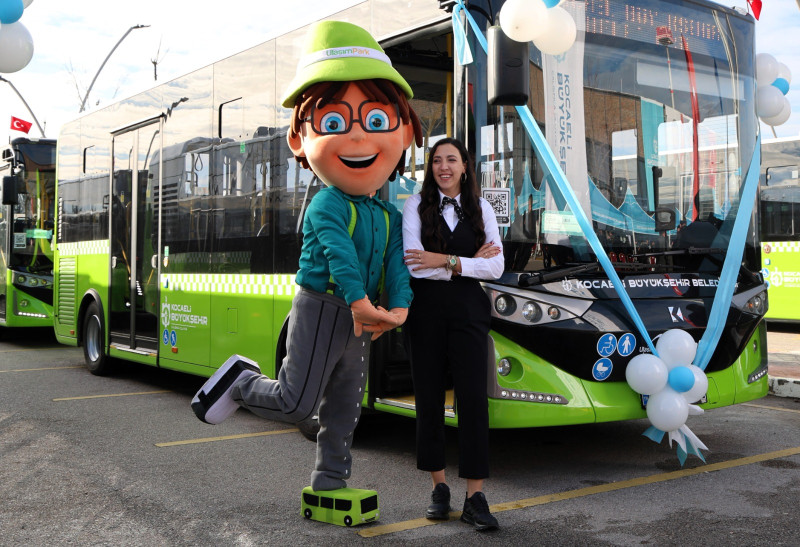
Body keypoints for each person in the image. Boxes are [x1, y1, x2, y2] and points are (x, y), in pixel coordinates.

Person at [192, 20, 423, 495]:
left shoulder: (388, 214)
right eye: (334, 123)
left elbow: (396, 264)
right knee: (296, 403)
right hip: (323, 306)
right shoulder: (325, 204)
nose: (358, 138)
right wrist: (361, 302)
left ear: (404, 132)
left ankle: (330, 480)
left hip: (360, 314)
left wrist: (399, 307)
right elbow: (340, 256)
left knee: (345, 405)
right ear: (299, 139)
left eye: (377, 121)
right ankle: (241, 381)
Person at [402, 137, 504, 531]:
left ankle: (475, 497)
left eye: (451, 160)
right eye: (436, 160)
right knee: (428, 398)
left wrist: (444, 260)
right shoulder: (415, 205)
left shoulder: (482, 208)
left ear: (464, 166)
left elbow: (495, 268)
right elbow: (414, 264)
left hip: (468, 312)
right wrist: (466, 262)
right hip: (425, 311)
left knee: (473, 399)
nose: (443, 166)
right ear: (430, 168)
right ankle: (439, 488)